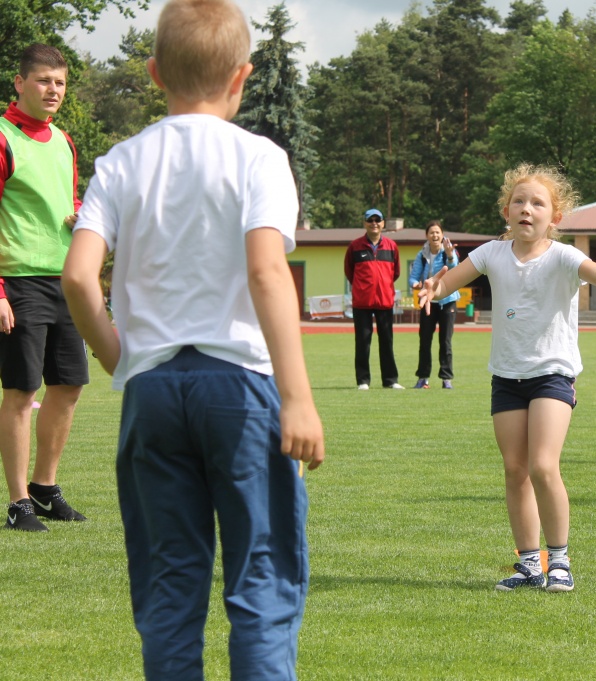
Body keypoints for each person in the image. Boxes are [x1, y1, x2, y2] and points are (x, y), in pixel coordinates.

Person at [61, 1, 325, 677]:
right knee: (261, 581)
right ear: (243, 76)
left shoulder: (119, 162)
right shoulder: (260, 158)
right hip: (240, 384)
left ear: (154, 74)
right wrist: (298, 397)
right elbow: (268, 270)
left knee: (171, 586)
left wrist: (120, 356)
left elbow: (78, 277)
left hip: (152, 392)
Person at [419, 163, 596, 592]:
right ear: (506, 211)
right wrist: (431, 289)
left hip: (552, 373)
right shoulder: (492, 253)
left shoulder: (564, 257)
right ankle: (529, 564)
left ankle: (560, 561)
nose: (527, 209)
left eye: (537, 203)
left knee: (543, 465)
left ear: (555, 217)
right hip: (507, 376)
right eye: (519, 201)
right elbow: (450, 282)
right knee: (515, 470)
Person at [0, 44, 88, 532]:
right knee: (20, 390)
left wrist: (79, 217)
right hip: (17, 281)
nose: (53, 90)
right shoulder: (2, 137)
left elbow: (68, 199)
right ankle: (17, 503)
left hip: (62, 279)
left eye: (59, 83)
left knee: (69, 386)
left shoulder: (64, 141)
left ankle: (45, 488)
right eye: (43, 81)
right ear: (20, 83)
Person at [345, 207, 403, 389]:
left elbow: (396, 272)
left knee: (387, 342)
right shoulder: (355, 246)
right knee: (362, 342)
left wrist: (383, 287)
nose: (374, 224)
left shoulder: (392, 246)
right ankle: (363, 380)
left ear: (383, 223)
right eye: (370, 220)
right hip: (362, 302)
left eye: (377, 220)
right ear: (365, 223)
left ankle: (390, 380)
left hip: (384, 301)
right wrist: (364, 288)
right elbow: (349, 272)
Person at [409, 220, 459, 389]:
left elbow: (455, 267)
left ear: (442, 235)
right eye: (432, 232)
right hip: (428, 302)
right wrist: (416, 284)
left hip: (448, 301)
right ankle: (423, 378)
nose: (435, 235)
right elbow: (413, 276)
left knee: (445, 342)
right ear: (427, 236)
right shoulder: (421, 254)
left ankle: (446, 379)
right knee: (424, 341)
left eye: (438, 232)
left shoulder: (448, 251)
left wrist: (450, 254)